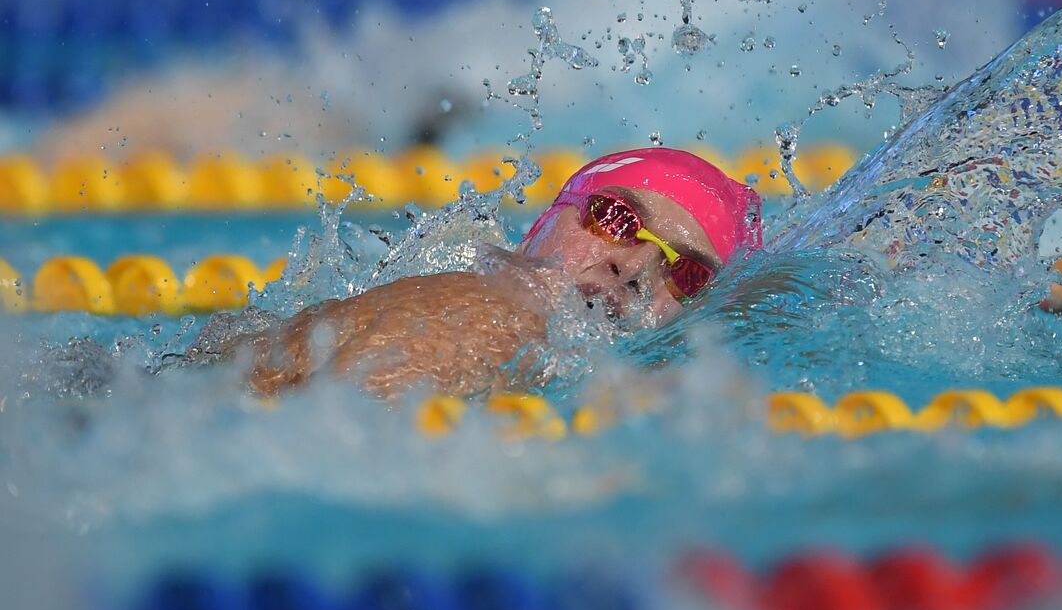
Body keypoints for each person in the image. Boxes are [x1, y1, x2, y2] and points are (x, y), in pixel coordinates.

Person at [215, 148, 763, 398]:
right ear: (542, 223)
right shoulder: (499, 310)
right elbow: (333, 424)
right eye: (615, 218)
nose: (635, 266)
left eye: (686, 274)